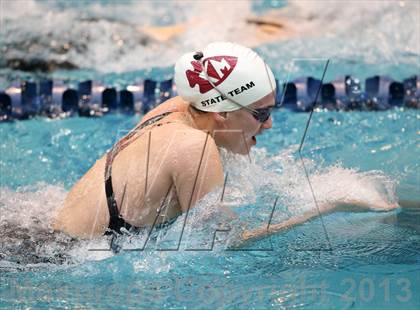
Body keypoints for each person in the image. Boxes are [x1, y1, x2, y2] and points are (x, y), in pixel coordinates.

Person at [53, 42, 398, 244]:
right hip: (57, 260)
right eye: (260, 114)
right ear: (221, 112)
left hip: (48, 233)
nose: (270, 124)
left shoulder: (178, 109)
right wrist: (331, 206)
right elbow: (226, 243)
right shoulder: (195, 149)